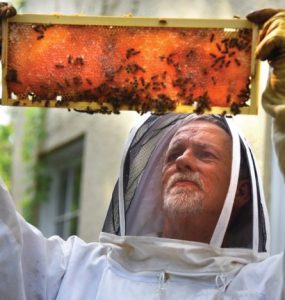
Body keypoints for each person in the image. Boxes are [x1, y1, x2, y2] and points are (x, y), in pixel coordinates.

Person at [0, 4, 284, 299]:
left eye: (205, 154)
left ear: (240, 193)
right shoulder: (69, 270)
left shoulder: (264, 286)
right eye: (174, 154)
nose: (184, 160)